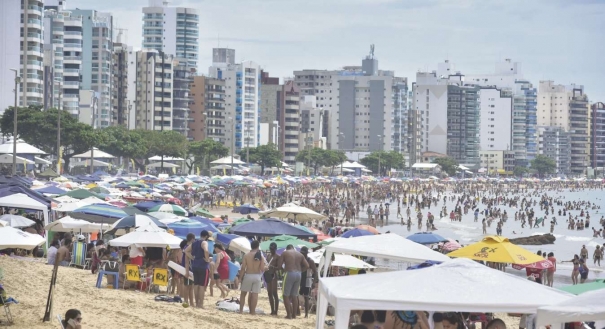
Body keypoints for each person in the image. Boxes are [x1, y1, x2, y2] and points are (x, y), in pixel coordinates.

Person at [278, 244, 309, 319]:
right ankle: (294, 315)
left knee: (286, 295)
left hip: (289, 273)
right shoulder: (300, 254)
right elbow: (307, 266)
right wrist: (301, 271)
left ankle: (289, 315)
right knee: (294, 295)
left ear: (287, 248)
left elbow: (279, 266)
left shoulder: (285, 253)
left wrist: (284, 271)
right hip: (298, 274)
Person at [184, 230, 211, 309]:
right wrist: (207, 259)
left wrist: (193, 258)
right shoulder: (204, 242)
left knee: (196, 285)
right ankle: (201, 304)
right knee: (202, 286)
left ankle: (196, 303)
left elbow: (186, 251)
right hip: (203, 266)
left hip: (195, 265)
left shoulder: (194, 243)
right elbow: (206, 250)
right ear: (206, 236)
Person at [238, 239, 265, 315]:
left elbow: (243, 268)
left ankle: (241, 311)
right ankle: (252, 312)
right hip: (257, 276)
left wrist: (240, 278)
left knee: (243, 294)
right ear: (258, 246)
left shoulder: (246, 255)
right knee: (255, 294)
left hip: (248, 275)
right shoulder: (260, 256)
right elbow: (262, 268)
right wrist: (266, 268)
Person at [299, 246, 318, 318]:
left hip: (307, 279)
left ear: (307, 253)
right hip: (300, 279)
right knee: (299, 296)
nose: (302, 254)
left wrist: (314, 282)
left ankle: (306, 314)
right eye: (301, 253)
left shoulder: (310, 261)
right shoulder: (300, 259)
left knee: (306, 297)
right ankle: (298, 311)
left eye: (303, 253)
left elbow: (315, 272)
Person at [264, 242, 280, 316]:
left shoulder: (277, 257)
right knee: (269, 293)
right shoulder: (268, 255)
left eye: (273, 249)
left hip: (273, 275)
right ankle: (272, 310)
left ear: (275, 249)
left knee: (274, 293)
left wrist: (273, 267)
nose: (271, 250)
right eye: (271, 249)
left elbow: (280, 268)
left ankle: (275, 311)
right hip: (268, 274)